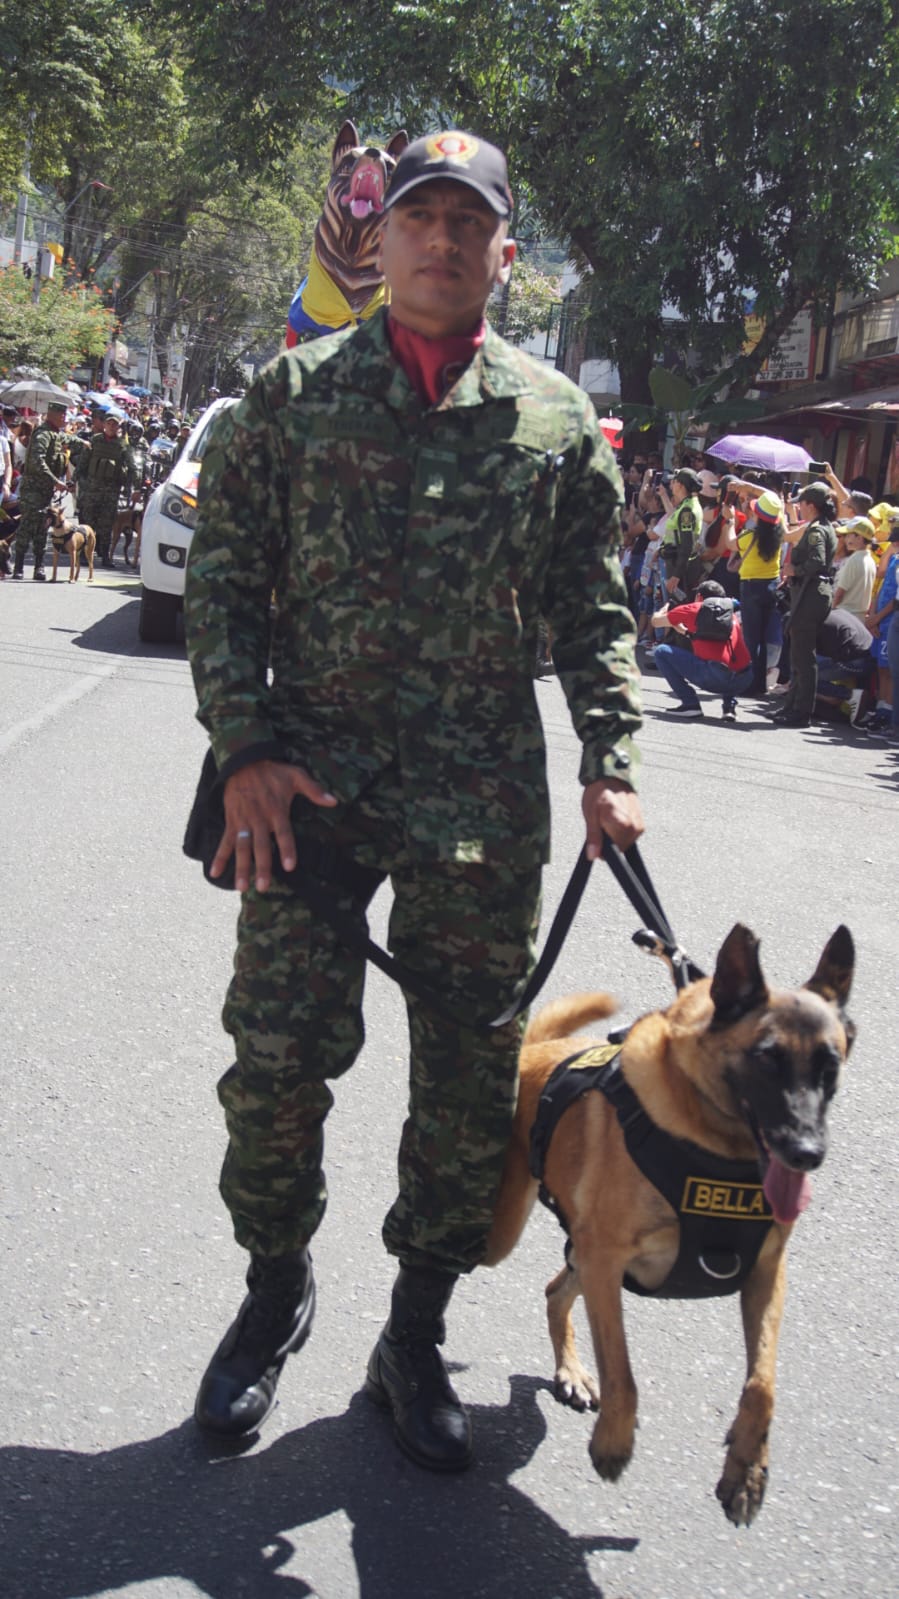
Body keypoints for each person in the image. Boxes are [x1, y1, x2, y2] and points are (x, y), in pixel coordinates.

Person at [184, 129, 644, 1469]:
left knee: (459, 1084)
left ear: (505, 251)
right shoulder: (290, 396)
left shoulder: (556, 421)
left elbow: (589, 605)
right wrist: (244, 743)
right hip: (303, 789)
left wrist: (610, 757)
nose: (441, 241)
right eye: (418, 218)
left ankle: (413, 1328)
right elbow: (222, 577)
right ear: (376, 241)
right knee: (274, 1059)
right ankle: (273, 1291)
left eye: (469, 223)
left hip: (477, 795)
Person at [770, 481, 838, 728]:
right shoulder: (820, 527)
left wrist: (793, 569)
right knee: (798, 656)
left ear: (811, 505)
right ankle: (791, 707)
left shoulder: (818, 530)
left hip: (811, 595)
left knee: (803, 658)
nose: (800, 507)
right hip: (809, 594)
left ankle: (800, 712)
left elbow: (818, 561)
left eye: (803, 503)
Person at [650, 578, 752, 720]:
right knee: (729, 655)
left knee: (661, 651)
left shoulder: (693, 608)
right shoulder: (732, 612)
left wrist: (664, 609)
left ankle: (690, 704)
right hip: (744, 678)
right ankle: (729, 707)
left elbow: (656, 622)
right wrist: (685, 631)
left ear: (699, 596)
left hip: (714, 677)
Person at [731, 489, 786, 696]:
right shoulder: (779, 533)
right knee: (762, 638)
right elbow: (777, 515)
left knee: (752, 638)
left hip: (752, 586)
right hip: (771, 586)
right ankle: (760, 683)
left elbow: (730, 543)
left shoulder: (748, 536)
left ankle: (751, 683)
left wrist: (730, 522)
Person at [11, 401, 70, 580]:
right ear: (52, 414)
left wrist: (82, 442)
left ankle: (39, 567)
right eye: (61, 415)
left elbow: (68, 440)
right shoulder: (42, 435)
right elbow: (38, 461)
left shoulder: (54, 433)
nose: (64, 419)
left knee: (42, 529)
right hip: (32, 492)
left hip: (45, 492)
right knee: (27, 527)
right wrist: (55, 481)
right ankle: (19, 567)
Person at [79, 413, 134, 567]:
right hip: (92, 490)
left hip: (111, 491)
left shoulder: (123, 446)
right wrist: (82, 485)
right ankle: (84, 554)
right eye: (109, 423)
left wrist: (129, 487)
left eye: (114, 424)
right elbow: (83, 464)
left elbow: (132, 467)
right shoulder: (94, 442)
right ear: (104, 425)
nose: (111, 426)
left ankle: (105, 556)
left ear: (118, 427)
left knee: (107, 524)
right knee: (88, 522)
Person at [657, 467, 704, 599]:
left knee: (678, 610)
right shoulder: (686, 505)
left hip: (682, 569)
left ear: (681, 485)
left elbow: (687, 544)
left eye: (674, 481)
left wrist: (676, 575)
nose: (671, 484)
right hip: (679, 564)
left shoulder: (687, 510)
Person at [831, 517, 877, 619]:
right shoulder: (870, 560)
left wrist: (831, 612)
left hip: (845, 615)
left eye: (848, 535)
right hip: (859, 617)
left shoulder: (853, 560)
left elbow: (839, 593)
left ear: (859, 538)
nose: (846, 539)